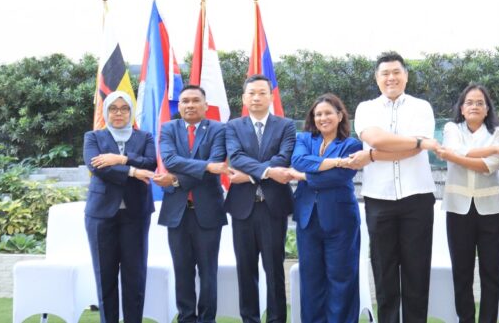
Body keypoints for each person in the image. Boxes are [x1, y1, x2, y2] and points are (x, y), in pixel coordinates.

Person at [349, 51, 440, 323]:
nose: (391, 78)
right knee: (384, 271)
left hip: (417, 197)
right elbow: (376, 138)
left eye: (396, 72)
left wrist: (374, 154)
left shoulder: (421, 107)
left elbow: (413, 150)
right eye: (385, 73)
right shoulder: (365, 108)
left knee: (417, 272)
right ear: (377, 78)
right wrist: (416, 141)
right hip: (379, 198)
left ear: (406, 76)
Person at [154, 85, 245, 323]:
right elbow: (170, 160)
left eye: (196, 100)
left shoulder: (219, 129)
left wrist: (175, 179)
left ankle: (207, 319)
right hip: (177, 212)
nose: (190, 105)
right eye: (185, 101)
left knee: (208, 271)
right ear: (179, 106)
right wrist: (206, 166)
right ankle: (186, 318)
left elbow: (216, 163)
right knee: (182, 270)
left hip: (208, 212)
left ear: (205, 105)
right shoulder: (168, 128)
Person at [224, 74, 298, 323]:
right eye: (251, 93)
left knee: (274, 269)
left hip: (273, 208)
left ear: (271, 96)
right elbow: (236, 157)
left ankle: (276, 319)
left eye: (262, 93)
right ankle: (250, 319)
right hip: (242, 208)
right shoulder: (233, 126)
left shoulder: (286, 125)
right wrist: (267, 172)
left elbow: (283, 158)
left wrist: (249, 176)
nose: (256, 97)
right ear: (244, 98)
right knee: (245, 270)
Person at [435, 84, 499, 323]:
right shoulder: (451, 128)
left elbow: (490, 166)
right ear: (461, 108)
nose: (474, 106)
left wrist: (456, 156)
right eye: (469, 102)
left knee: (491, 272)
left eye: (480, 103)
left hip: (491, 209)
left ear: (487, 109)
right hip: (458, 208)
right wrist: (489, 150)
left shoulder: (498, 131)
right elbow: (454, 149)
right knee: (462, 271)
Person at [289, 93, 366, 323]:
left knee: (341, 278)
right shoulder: (304, 139)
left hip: (341, 220)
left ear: (340, 116)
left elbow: (339, 177)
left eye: (328, 113)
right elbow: (298, 161)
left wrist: (304, 176)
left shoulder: (352, 144)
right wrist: (336, 162)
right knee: (311, 279)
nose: (323, 118)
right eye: (318, 114)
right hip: (307, 218)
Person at [83, 91, 157, 323]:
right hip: (101, 214)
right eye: (113, 108)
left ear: (131, 112)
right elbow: (97, 167)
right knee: (105, 274)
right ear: (106, 111)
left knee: (135, 275)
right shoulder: (93, 137)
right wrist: (133, 170)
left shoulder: (145, 137)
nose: (118, 113)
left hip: (136, 214)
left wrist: (121, 159)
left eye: (124, 108)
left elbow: (151, 164)